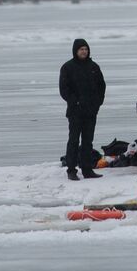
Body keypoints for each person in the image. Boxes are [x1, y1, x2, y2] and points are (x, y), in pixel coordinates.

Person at [59, 38, 106, 180]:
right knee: (73, 140)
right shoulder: (68, 67)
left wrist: (98, 103)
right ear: (76, 51)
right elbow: (64, 90)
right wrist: (75, 102)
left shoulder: (94, 67)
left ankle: (87, 169)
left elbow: (101, 86)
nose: (84, 51)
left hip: (91, 111)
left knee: (88, 141)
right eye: (81, 49)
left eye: (85, 49)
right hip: (75, 111)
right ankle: (71, 170)